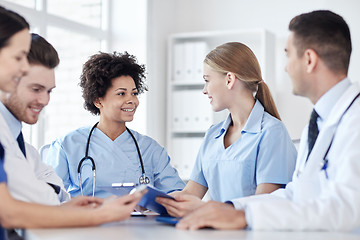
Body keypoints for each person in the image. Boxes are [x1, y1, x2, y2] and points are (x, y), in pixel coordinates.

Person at [176, 10, 360, 231]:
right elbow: (295, 195)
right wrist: (231, 208)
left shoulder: (354, 120)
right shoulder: (318, 123)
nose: (286, 67)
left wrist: (247, 216)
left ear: (309, 59)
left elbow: (349, 209)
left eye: (288, 55)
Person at [0, 6, 143, 240]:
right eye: (17, 58)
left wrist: (66, 207)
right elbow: (10, 210)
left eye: (49, 91)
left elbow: (50, 195)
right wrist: (102, 214)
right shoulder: (64, 143)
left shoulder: (22, 144)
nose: (45, 100)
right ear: (98, 100)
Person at [157, 42, 297, 217]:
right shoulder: (213, 135)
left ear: (229, 79)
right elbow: (190, 195)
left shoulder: (272, 132)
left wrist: (205, 209)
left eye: (207, 80)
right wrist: (154, 201)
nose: (204, 90)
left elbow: (264, 204)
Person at [44, 51, 185, 198]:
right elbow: (50, 198)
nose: (132, 100)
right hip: (87, 220)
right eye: (121, 94)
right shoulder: (67, 145)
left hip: (139, 221)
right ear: (98, 100)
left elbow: (176, 195)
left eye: (134, 93)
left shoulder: (150, 149)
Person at [0, 33, 70, 205]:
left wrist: (44, 190)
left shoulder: (26, 149)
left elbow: (62, 196)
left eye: (49, 91)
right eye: (36, 89)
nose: (45, 101)